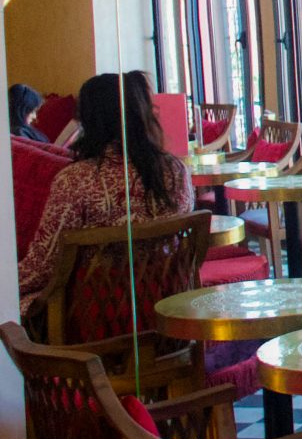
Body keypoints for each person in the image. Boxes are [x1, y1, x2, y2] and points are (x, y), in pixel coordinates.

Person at [18, 70, 194, 319]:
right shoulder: (175, 171)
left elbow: (42, 267)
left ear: (89, 120)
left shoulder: (75, 181)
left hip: (95, 317)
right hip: (167, 309)